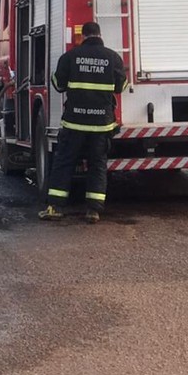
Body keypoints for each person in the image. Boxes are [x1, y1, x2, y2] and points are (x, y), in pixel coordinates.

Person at [39, 21, 127, 224]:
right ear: (100, 35)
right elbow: (120, 87)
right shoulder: (113, 57)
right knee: (97, 165)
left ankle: (55, 207)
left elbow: (58, 85)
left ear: (83, 36)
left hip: (74, 123)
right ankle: (93, 211)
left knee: (64, 163)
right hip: (101, 124)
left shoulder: (70, 57)